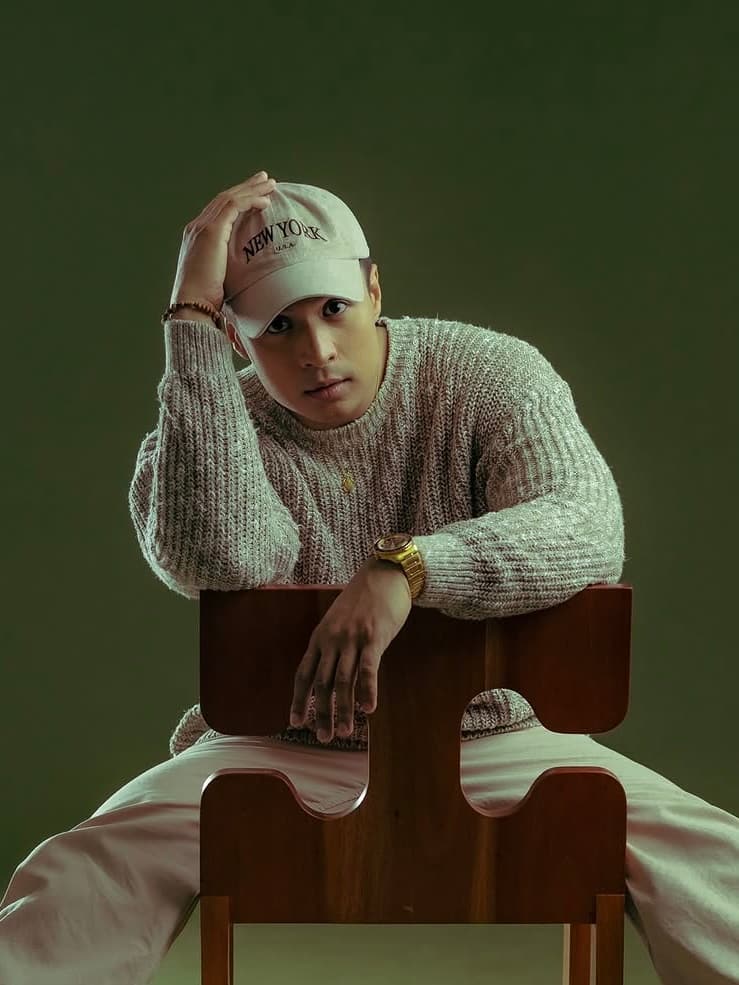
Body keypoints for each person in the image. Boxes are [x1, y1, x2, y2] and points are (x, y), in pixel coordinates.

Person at [0, 173, 737, 985]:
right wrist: (189, 325)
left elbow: (585, 522)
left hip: (496, 740)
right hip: (272, 746)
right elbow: (217, 559)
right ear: (235, 336)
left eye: (332, 308)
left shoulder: (488, 372)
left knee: (714, 872)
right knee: (79, 879)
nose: (315, 351)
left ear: (373, 288)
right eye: (277, 326)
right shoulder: (210, 421)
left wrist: (406, 568)